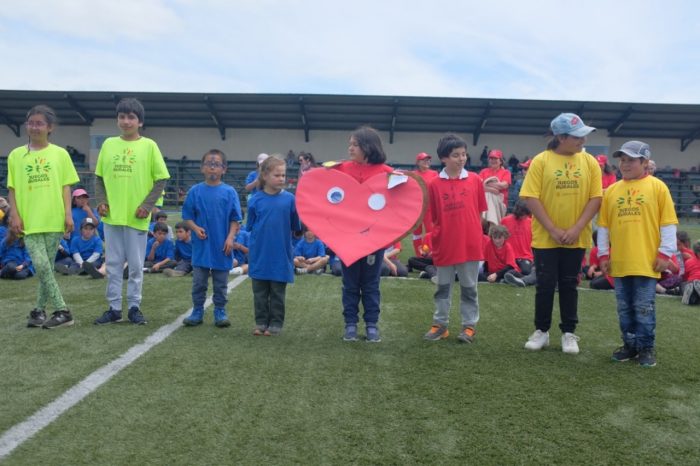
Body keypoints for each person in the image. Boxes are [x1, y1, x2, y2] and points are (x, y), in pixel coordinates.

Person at [520, 113, 602, 354]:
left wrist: (576, 228)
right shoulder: (541, 161)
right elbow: (531, 197)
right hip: (546, 237)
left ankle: (569, 332)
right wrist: (553, 229)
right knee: (545, 285)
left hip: (577, 237)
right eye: (577, 136)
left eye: (583, 135)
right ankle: (541, 331)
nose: (583, 140)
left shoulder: (590, 162)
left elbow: (596, 198)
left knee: (569, 285)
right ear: (561, 137)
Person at [598, 141, 678, 367]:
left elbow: (668, 223)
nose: (625, 164)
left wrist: (665, 253)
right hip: (621, 263)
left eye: (631, 160)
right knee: (624, 308)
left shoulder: (658, 187)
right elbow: (603, 226)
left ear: (645, 162)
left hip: (647, 263)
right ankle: (629, 345)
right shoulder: (612, 190)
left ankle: (645, 347)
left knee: (644, 307)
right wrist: (604, 255)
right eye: (622, 160)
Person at [93, 97, 170, 325]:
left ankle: (134, 306)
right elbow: (99, 178)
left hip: (137, 217)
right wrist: (102, 201)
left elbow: (161, 179)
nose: (126, 121)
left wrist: (146, 206)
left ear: (140, 122)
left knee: (136, 265)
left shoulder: (149, 146)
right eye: (122, 117)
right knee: (114, 263)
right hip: (112, 216)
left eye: (131, 117)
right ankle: (114, 308)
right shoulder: (108, 144)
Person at [7, 105, 80, 328]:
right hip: (29, 221)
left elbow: (66, 187)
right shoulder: (16, 155)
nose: (34, 127)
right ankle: (61, 310)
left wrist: (68, 214)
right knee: (41, 265)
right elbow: (13, 189)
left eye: (39, 123)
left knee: (44, 266)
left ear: (50, 127)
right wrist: (14, 215)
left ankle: (39, 311)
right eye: (31, 122)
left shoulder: (60, 154)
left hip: (54, 218)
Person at [332, 126, 394, 342]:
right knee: (349, 284)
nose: (350, 148)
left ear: (368, 147)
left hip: (374, 240)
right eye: (349, 144)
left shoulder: (387, 172)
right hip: (347, 238)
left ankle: (371, 325)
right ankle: (350, 324)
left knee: (370, 283)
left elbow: (401, 201)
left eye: (354, 144)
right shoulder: (341, 169)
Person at [423, 133, 487, 343]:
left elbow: (479, 213)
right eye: (455, 155)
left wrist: (474, 235)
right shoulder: (434, 184)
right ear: (443, 158)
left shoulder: (475, 180)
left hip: (469, 245)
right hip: (445, 244)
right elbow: (433, 217)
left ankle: (469, 327)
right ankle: (440, 325)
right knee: (443, 288)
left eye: (463, 154)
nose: (461, 159)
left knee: (469, 288)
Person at [182, 149, 242, 327]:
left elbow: (235, 219)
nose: (212, 168)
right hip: (201, 245)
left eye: (216, 165)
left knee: (221, 283)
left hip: (222, 245)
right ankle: (197, 310)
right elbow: (187, 216)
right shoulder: (195, 191)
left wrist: (231, 238)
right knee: (199, 282)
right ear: (202, 168)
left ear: (224, 169)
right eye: (209, 164)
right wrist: (195, 228)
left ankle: (220, 311)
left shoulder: (230, 192)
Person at [246, 155, 300, 336]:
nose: (282, 179)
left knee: (277, 292)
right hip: (260, 253)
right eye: (277, 175)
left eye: (283, 175)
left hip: (280, 253)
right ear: (265, 176)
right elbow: (250, 226)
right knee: (260, 291)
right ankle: (261, 322)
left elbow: (295, 226)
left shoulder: (290, 200)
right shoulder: (255, 200)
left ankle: (276, 323)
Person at [411, 152, 439, 255]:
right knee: (416, 233)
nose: (427, 162)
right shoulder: (413, 175)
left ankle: (428, 254)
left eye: (428, 160)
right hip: (417, 208)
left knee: (430, 233)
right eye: (424, 160)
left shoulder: (434, 174)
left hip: (430, 208)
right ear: (418, 162)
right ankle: (419, 256)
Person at [500, 199, 534, 275]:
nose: (526, 216)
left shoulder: (531, 222)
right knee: (503, 269)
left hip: (525, 257)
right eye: (525, 214)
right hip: (509, 256)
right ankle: (514, 275)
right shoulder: (505, 221)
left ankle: (514, 275)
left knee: (526, 271)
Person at [479, 149, 511, 226]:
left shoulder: (505, 172)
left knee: (489, 196)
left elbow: (504, 185)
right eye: (491, 158)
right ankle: (493, 225)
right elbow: (478, 187)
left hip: (500, 203)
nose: (493, 160)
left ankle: (482, 222)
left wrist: (486, 185)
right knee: (488, 195)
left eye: (495, 158)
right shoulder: (484, 171)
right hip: (485, 202)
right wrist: (492, 189)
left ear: (500, 161)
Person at [680, 241, 700, 305]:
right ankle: (697, 286)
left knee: (683, 285)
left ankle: (688, 293)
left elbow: (685, 276)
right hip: (697, 280)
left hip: (690, 281)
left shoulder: (689, 261)